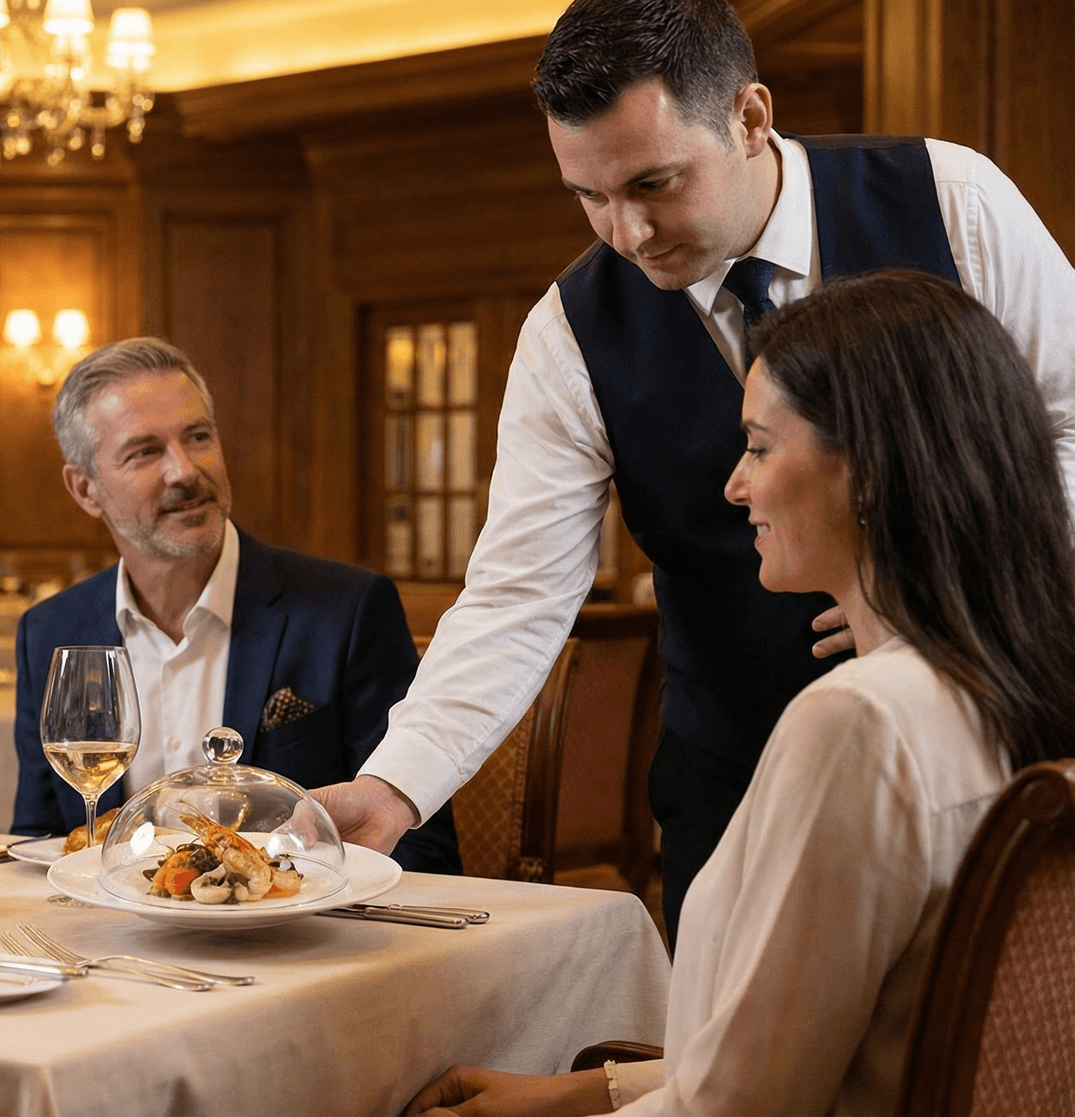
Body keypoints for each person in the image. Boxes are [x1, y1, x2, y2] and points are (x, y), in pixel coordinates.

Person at [313, 0, 1075, 940]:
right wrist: (398, 782)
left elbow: (1070, 429)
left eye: (655, 183)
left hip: (993, 744)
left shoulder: (953, 199)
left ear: (750, 118)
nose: (628, 233)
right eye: (589, 197)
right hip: (736, 772)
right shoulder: (568, 333)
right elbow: (518, 594)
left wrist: (951, 574)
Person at [404, 271, 1075, 1116]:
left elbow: (744, 1109)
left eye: (759, 446)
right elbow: (847, 1042)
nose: (733, 486)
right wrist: (583, 1092)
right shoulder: (1015, 679)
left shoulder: (861, 722)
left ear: (868, 472)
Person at [11, 338, 459, 873]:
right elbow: (36, 844)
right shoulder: (50, 632)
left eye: (198, 437)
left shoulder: (347, 612)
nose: (184, 471)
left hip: (297, 940)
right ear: (84, 489)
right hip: (113, 949)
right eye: (146, 452)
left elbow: (421, 850)